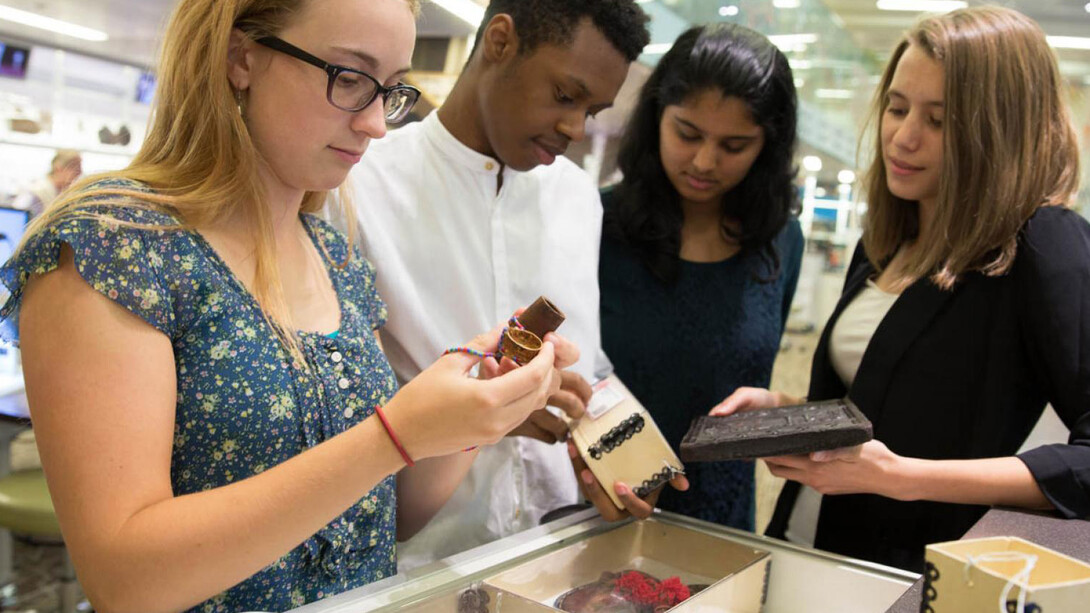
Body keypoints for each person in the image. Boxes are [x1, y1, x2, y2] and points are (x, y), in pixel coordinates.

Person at [0, 1, 574, 611]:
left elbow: (389, 513)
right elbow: (126, 582)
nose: (378, 124)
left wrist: (477, 411)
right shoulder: (116, 245)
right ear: (241, 57)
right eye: (350, 79)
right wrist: (394, 436)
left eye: (391, 90)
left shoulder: (333, 255)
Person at [713, 6, 1090, 572]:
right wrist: (786, 410)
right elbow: (884, 404)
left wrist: (901, 477)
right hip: (802, 543)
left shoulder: (1040, 243)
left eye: (939, 121)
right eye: (896, 107)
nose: (903, 137)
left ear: (998, 129)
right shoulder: (888, 240)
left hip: (908, 572)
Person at [344, 0, 685, 570]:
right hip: (417, 561)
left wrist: (621, 457)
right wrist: (486, 412)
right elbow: (335, 408)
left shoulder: (577, 199)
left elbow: (591, 369)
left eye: (593, 110)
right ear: (500, 41)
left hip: (554, 553)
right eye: (565, 95)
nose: (576, 129)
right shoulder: (361, 186)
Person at [598, 23, 803, 532]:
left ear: (767, 145)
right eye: (687, 134)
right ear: (655, 119)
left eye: (734, 145)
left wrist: (779, 410)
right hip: (603, 505)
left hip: (724, 520)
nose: (704, 162)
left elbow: (773, 387)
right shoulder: (597, 224)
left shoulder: (780, 240)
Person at [11, 149, 82, 218]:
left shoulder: (67, 193)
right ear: (58, 168)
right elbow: (16, 216)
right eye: (75, 168)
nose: (79, 172)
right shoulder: (36, 191)